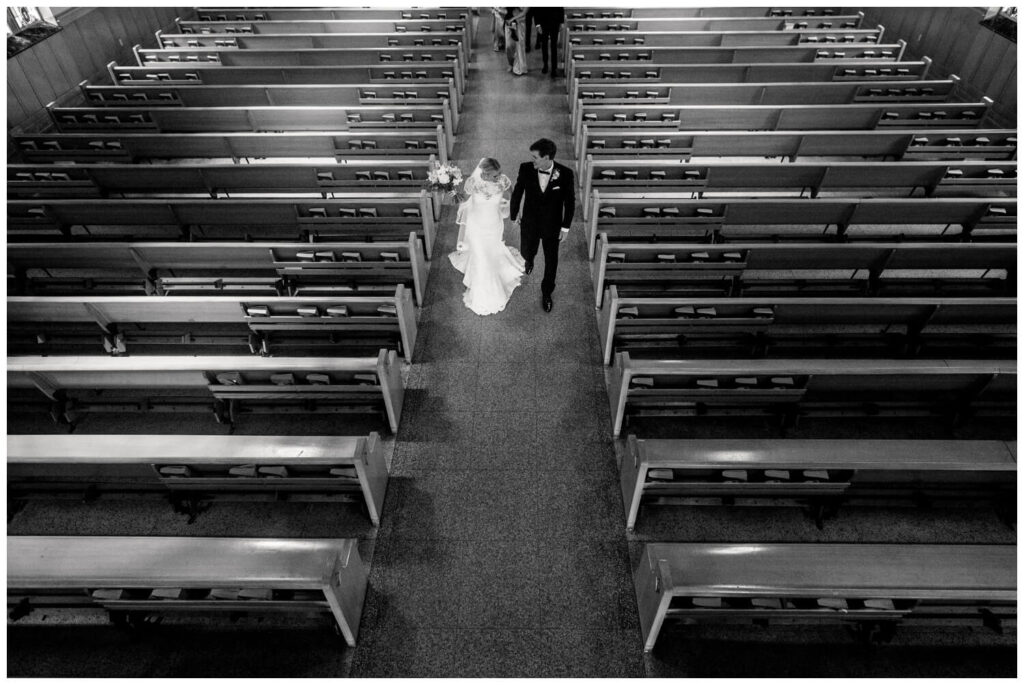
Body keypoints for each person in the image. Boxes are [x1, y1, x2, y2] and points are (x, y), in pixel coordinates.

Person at [448, 158, 526, 316]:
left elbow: (514, 197)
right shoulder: (472, 182)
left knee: (492, 253)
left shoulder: (503, 181)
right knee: (482, 258)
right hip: (476, 227)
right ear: (484, 173)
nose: (499, 177)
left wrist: (516, 211)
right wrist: (450, 188)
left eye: (499, 174)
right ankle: (484, 293)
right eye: (494, 176)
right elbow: (461, 200)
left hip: (494, 225)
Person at [509, 138, 576, 313]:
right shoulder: (525, 169)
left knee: (551, 261)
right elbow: (517, 192)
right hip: (530, 222)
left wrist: (565, 228)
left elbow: (570, 203)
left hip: (552, 226)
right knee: (526, 250)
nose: (532, 160)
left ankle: (547, 292)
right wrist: (514, 214)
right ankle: (529, 260)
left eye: (535, 157)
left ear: (546, 158)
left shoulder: (566, 174)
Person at [532, 7, 564, 77]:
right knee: (544, 45)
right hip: (543, 21)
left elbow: (560, 7)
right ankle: (545, 65)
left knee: (554, 46)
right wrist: (537, 24)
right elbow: (536, 9)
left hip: (555, 21)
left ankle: (554, 68)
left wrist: (561, 22)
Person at [503, 7, 528, 75]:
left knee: (519, 46)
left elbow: (524, 12)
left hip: (520, 23)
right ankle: (510, 63)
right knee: (508, 45)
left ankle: (519, 67)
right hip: (509, 22)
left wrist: (513, 18)